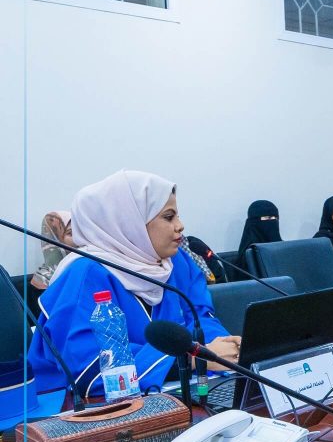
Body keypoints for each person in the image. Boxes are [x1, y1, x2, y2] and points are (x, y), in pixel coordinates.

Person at [28, 170, 239, 396]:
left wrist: (225, 348)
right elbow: (91, 366)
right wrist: (192, 359)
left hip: (170, 391)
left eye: (177, 216)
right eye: (169, 217)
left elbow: (200, 317)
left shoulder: (175, 261)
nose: (180, 226)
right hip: (78, 405)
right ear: (130, 221)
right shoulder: (84, 274)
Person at [29, 211, 74, 291]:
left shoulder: (82, 268)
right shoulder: (43, 280)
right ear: (54, 237)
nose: (78, 238)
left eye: (79, 233)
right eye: (70, 233)